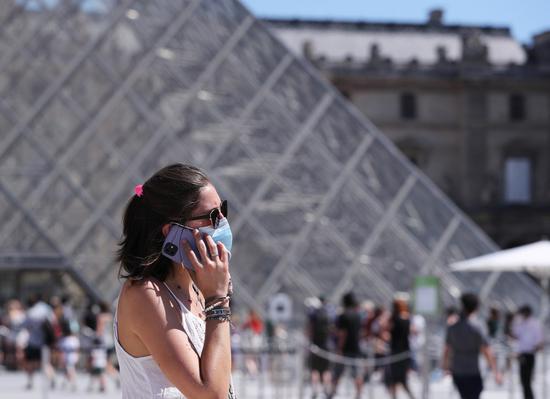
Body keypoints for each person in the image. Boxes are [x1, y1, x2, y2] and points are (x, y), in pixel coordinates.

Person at [115, 163, 235, 398]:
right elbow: (211, 394)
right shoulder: (145, 294)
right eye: (212, 215)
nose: (222, 222)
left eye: (223, 211)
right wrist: (218, 301)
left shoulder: (198, 291)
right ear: (173, 232)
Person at [443, 293, 502, 399]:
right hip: (473, 369)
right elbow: (486, 350)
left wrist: (445, 366)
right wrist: (495, 371)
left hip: (457, 369)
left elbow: (447, 349)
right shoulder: (477, 327)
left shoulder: (452, 327)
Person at [328, 292, 363, 399]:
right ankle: (358, 394)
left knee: (337, 372)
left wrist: (339, 348)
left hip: (344, 348)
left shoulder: (343, 316)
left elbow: (343, 334)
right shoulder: (358, 315)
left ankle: (332, 392)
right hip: (355, 347)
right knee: (356, 373)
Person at [386, 296, 415, 399]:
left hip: (396, 351)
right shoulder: (407, 319)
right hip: (405, 351)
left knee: (395, 378)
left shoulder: (394, 318)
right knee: (402, 379)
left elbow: (387, 330)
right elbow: (413, 331)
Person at [512, 305, 543, 399]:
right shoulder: (520, 324)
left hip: (529, 354)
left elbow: (539, 341)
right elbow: (515, 335)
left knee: (527, 380)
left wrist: (534, 349)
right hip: (522, 354)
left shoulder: (535, 324)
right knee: (523, 380)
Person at [306, 296, 332, 398]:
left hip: (315, 346)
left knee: (314, 370)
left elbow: (310, 329)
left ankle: (315, 391)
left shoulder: (313, 314)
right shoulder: (328, 314)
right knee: (326, 370)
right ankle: (326, 390)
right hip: (326, 346)